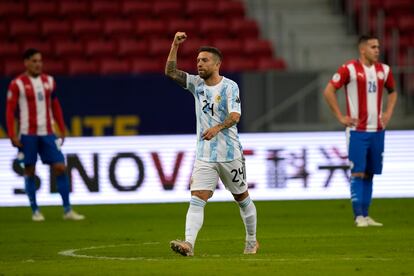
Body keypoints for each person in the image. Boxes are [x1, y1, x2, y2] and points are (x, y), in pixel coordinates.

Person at [165, 32, 258, 256]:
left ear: (217, 64)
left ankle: (252, 241)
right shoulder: (196, 84)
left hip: (230, 154)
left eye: (204, 60)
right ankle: (189, 244)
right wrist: (175, 45)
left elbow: (235, 116)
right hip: (205, 154)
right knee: (197, 197)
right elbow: (170, 72)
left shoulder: (230, 87)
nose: (199, 64)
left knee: (242, 197)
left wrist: (217, 128)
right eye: (197, 60)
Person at [323, 35, 397, 227]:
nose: (377, 50)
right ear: (362, 49)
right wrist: (341, 117)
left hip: (378, 130)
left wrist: (388, 112)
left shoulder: (385, 70)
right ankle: (358, 217)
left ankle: (366, 214)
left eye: (378, 47)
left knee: (370, 172)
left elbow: (393, 91)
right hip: (357, 131)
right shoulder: (349, 69)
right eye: (373, 47)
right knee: (358, 172)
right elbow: (329, 90)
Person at [6, 48, 85, 222]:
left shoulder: (49, 81)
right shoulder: (17, 84)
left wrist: (62, 128)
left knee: (60, 167)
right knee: (30, 170)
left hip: (48, 133)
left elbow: (55, 105)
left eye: (40, 61)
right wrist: (12, 134)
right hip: (28, 134)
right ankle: (35, 210)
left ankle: (67, 210)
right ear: (26, 63)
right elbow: (10, 111)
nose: (38, 64)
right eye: (34, 61)